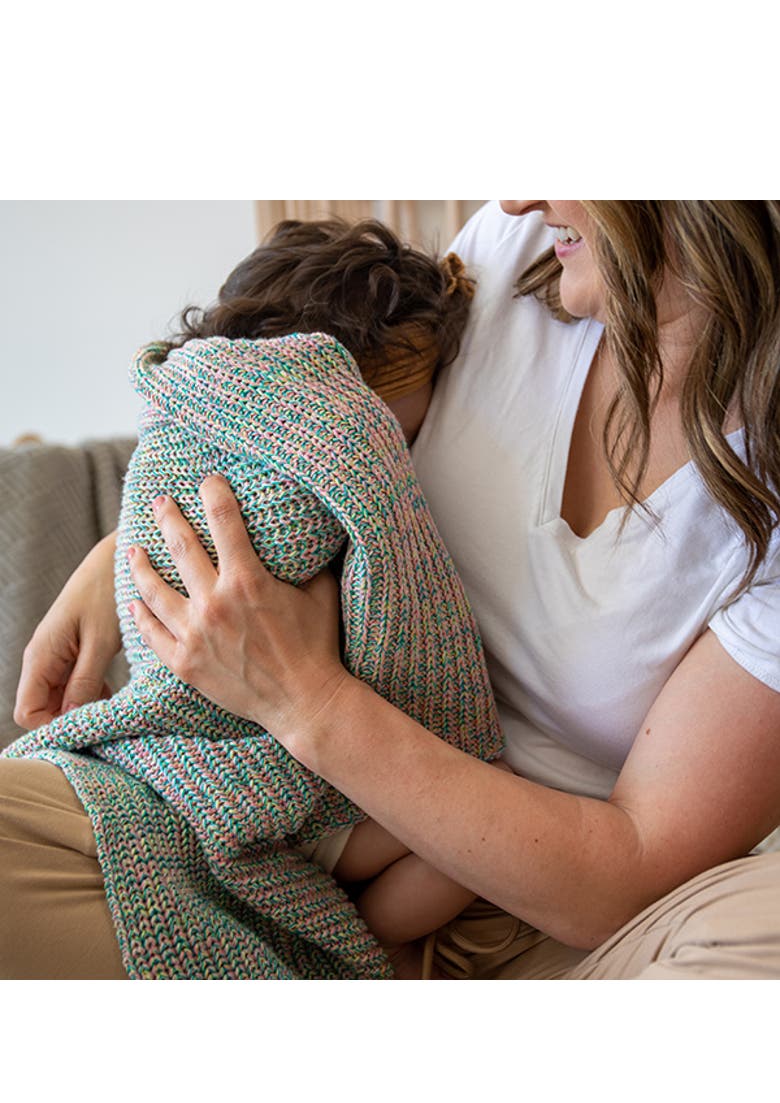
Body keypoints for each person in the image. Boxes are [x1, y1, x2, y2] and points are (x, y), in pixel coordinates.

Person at [7, 200, 780, 980]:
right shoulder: (518, 249)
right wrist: (141, 557)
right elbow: (316, 430)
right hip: (254, 778)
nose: (514, 195)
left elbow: (632, 867)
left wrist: (307, 700)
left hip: (525, 894)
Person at [1, 217, 502, 979]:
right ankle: (353, 942)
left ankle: (336, 934)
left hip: (225, 766)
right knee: (474, 836)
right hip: (242, 772)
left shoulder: (189, 408)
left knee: (473, 835)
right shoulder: (315, 450)